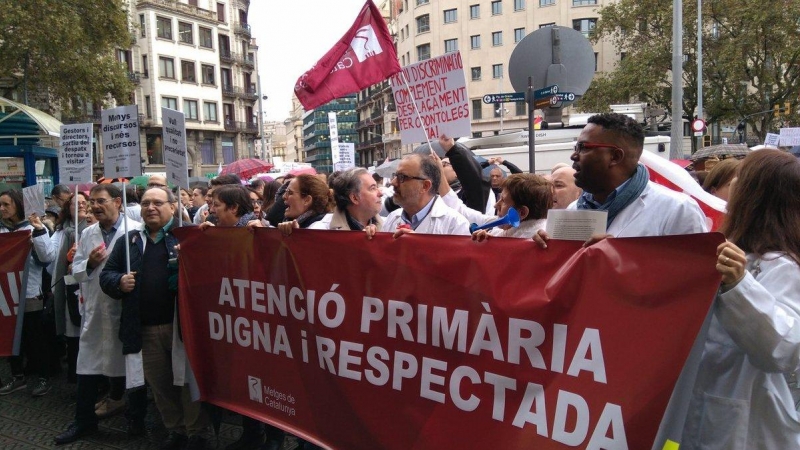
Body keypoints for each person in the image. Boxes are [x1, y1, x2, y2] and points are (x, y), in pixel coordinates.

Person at [677, 149, 800, 448]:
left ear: (756, 194)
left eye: (740, 178)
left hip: (746, 418)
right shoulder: (731, 251)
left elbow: (783, 349)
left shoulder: (783, 266)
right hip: (705, 404)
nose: (732, 185)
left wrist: (740, 286)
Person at [101, 187, 209, 450]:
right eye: (146, 203)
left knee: (186, 383)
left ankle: (196, 434)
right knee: (161, 385)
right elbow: (107, 275)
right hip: (144, 328)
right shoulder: (130, 241)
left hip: (180, 326)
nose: (150, 207)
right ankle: (176, 430)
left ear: (172, 207)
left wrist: (191, 260)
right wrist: (119, 282)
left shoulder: (186, 236)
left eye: (158, 203)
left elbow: (211, 277)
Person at [54, 184, 145, 445]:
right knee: (88, 367)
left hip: (124, 311)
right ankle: (84, 421)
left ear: (118, 202)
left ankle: (136, 423)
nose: (94, 206)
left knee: (130, 369)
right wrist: (91, 263)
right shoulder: (89, 233)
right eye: (92, 201)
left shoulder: (135, 232)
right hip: (94, 309)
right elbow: (74, 272)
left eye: (101, 200)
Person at [534, 112, 707, 245]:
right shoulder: (574, 210)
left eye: (583, 148)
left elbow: (691, 282)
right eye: (576, 147)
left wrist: (620, 259)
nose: (574, 156)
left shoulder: (678, 210)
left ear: (615, 157)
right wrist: (547, 248)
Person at [0, 190, 55, 397]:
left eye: (6, 204)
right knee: (10, 335)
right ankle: (17, 376)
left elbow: (47, 257)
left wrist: (38, 234)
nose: (2, 209)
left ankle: (44, 377)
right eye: (0, 205)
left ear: (18, 205)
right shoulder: (2, 230)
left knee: (35, 337)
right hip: (6, 292)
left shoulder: (34, 229)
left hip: (29, 291)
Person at [32, 191, 89, 384]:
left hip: (91, 290)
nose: (81, 205)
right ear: (68, 209)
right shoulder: (62, 232)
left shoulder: (94, 228)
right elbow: (48, 257)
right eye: (75, 203)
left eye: (83, 202)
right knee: (74, 336)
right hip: (68, 292)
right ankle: (77, 379)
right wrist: (40, 230)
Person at [379, 153, 470, 237]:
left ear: (425, 186)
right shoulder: (391, 218)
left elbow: (459, 255)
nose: (393, 182)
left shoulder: (456, 224)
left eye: (402, 177)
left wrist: (421, 245)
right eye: (395, 176)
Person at [255, 174, 333, 235]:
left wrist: (296, 236)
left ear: (307, 200)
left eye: (290, 193)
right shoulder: (301, 224)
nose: (284, 197)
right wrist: (261, 229)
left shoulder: (320, 229)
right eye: (285, 192)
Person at [308, 167, 384, 231]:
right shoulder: (320, 231)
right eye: (373, 188)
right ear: (354, 198)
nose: (381, 193)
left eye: (377, 187)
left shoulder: (389, 226)